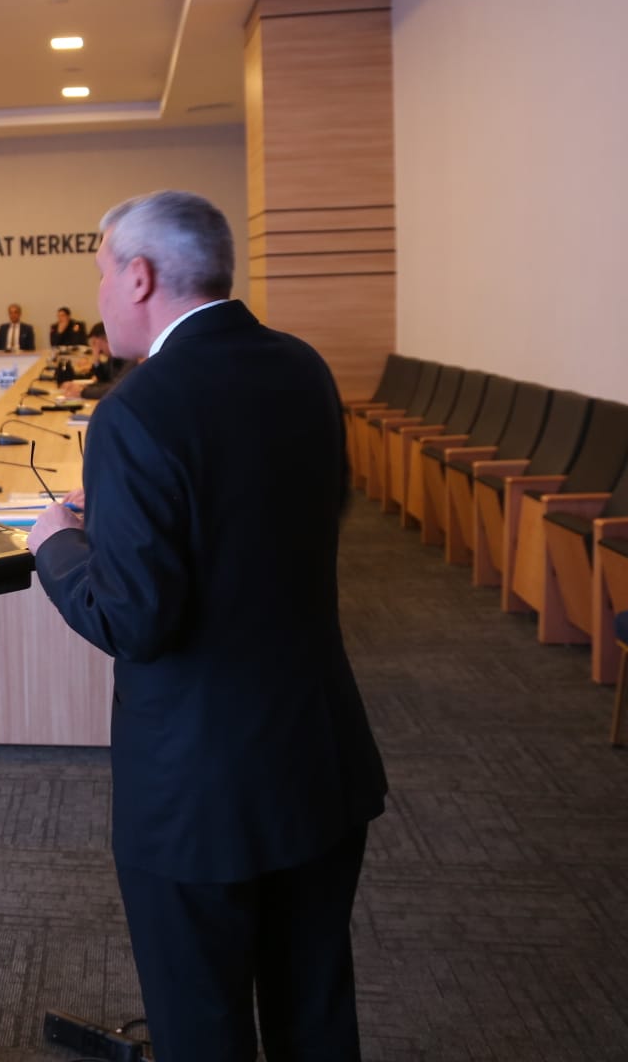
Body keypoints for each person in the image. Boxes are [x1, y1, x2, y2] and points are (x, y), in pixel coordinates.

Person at [27, 190, 386, 1061]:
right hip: (318, 758)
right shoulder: (302, 366)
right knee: (315, 1013)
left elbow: (133, 620)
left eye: (101, 274)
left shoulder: (137, 410)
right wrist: (129, 519)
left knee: (203, 1029)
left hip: (200, 792)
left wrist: (57, 544)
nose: (99, 295)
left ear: (138, 277)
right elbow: (290, 515)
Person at [57, 324, 127, 401]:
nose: (94, 348)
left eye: (94, 343)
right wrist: (82, 387)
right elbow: (104, 380)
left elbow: (113, 388)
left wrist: (82, 392)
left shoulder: (125, 357)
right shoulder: (114, 357)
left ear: (106, 339)